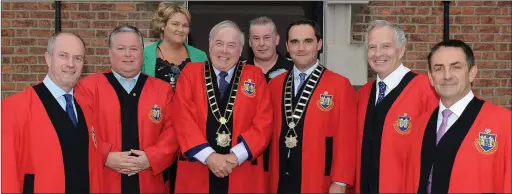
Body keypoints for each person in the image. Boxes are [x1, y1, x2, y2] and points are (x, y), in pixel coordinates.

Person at [170, 20, 273, 193]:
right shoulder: (190, 73)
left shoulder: (255, 76)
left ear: (240, 51)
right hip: (198, 169)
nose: (224, 50)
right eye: (219, 43)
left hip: (241, 169)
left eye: (231, 45)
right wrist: (209, 157)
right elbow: (182, 118)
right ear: (209, 46)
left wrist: (235, 157)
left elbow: (264, 122)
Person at [75, 25, 179, 193]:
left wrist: (151, 158)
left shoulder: (163, 90)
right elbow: (79, 130)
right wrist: (105, 156)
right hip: (104, 181)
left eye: (134, 49)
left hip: (150, 182)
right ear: (110, 53)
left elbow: (174, 130)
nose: (128, 55)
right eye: (121, 49)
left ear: (142, 53)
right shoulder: (87, 88)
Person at [404, 39, 511, 193]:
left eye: (456, 67)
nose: (447, 76)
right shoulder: (419, 125)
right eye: (439, 68)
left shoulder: (504, 123)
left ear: (472, 73)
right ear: (431, 78)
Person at [2, 32, 102, 193]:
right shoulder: (15, 108)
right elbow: (6, 174)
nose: (71, 64)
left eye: (78, 58)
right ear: (48, 59)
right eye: (63, 56)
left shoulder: (86, 107)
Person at [267, 18, 356, 193]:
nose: (301, 48)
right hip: (280, 179)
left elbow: (347, 139)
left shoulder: (340, 85)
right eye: (295, 42)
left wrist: (340, 181)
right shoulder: (274, 85)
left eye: (308, 41)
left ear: (319, 44)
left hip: (319, 180)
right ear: (287, 46)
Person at [355, 20, 438, 193]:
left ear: (401, 50)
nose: (378, 54)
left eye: (386, 46)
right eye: (372, 47)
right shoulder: (363, 94)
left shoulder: (426, 90)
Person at [143, 2, 207, 90]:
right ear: (162, 25)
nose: (180, 30)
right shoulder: (144, 55)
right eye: (175, 24)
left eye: (185, 25)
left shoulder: (200, 56)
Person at [247, 16, 293, 82]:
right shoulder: (239, 71)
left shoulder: (293, 68)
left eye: (266, 38)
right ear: (250, 42)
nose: (261, 43)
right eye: (256, 38)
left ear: (277, 39)